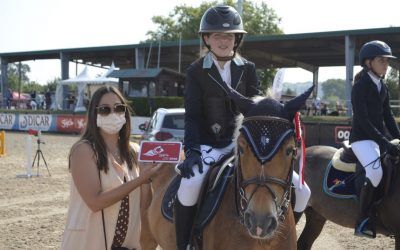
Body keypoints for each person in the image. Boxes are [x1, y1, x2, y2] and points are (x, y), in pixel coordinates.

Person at [174, 5, 311, 249]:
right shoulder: (196, 71)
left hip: (247, 146)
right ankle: (185, 243)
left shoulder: (247, 68)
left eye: (228, 36)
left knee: (303, 192)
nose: (223, 41)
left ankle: (281, 233)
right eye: (217, 35)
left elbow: (256, 111)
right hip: (209, 145)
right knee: (189, 186)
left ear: (237, 39)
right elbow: (193, 117)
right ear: (206, 38)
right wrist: (192, 150)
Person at [61, 86, 161, 250]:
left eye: (119, 108)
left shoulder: (134, 151)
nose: (113, 114)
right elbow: (95, 201)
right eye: (105, 110)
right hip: (87, 244)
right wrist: (140, 179)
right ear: (94, 114)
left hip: (127, 245)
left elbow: (144, 206)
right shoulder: (83, 150)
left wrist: (146, 179)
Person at [350, 40, 400, 238]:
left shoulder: (383, 87)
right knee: (375, 171)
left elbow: (388, 117)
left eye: (387, 61)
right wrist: (385, 142)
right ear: (368, 62)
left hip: (377, 138)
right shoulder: (360, 86)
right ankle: (362, 218)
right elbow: (363, 120)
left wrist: (398, 137)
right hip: (361, 139)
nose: (386, 64)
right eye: (382, 61)